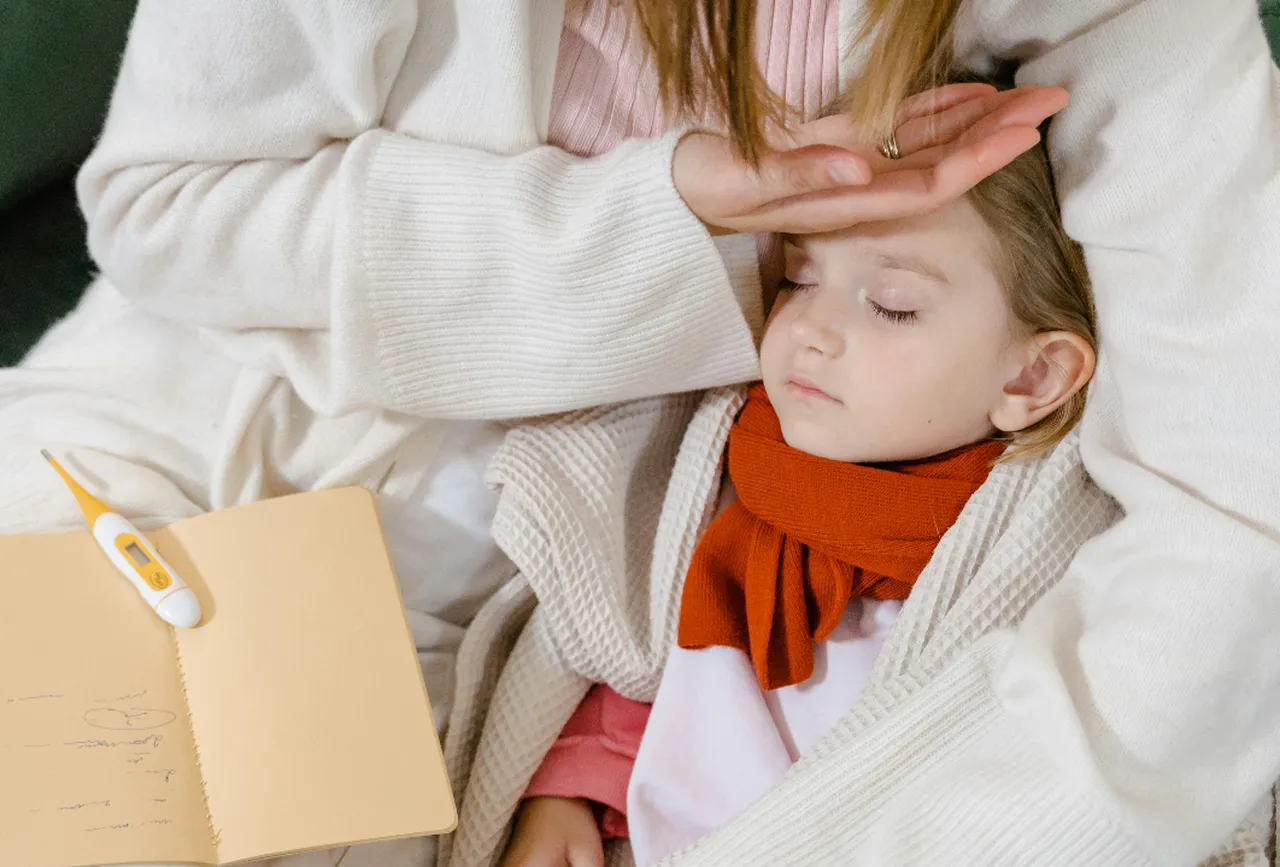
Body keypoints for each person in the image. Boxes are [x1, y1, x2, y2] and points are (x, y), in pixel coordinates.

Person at [0, 0, 1274, 865]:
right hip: (188, 450)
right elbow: (168, 210)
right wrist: (674, 211)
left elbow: (1234, 507)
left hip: (552, 571)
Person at [501, 132, 1099, 867]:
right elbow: (648, 649)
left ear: (1032, 378)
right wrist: (576, 787)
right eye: (799, 278)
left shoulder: (1036, 564)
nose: (811, 328)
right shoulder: (723, 475)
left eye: (891, 305)